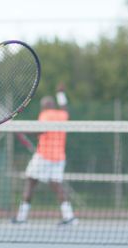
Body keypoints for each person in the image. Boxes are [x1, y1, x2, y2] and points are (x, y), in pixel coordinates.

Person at [12, 87, 77, 226]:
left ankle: (22, 218)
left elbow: (40, 130)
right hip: (59, 157)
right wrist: (60, 94)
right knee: (57, 186)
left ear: (45, 106)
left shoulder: (45, 115)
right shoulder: (62, 115)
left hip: (44, 156)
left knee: (30, 182)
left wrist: (20, 130)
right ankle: (69, 217)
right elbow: (65, 108)